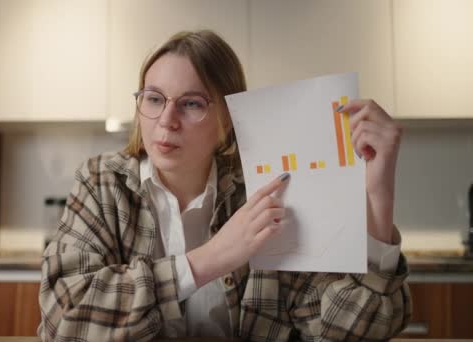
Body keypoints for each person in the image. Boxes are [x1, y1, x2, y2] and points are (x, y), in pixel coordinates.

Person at [38, 30, 411, 341]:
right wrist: (211, 258)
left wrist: (379, 200)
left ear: (229, 120)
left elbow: (352, 330)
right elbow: (64, 319)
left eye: (191, 104)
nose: (166, 120)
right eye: (153, 99)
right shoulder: (101, 182)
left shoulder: (269, 191)